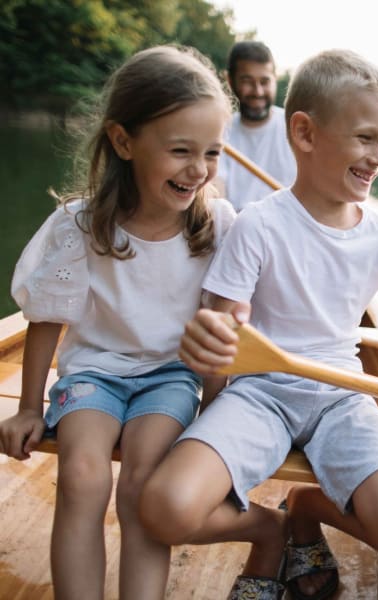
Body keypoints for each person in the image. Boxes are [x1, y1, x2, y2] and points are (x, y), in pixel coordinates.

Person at [138, 49, 378, 600]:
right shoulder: (258, 225)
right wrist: (212, 415)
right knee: (164, 507)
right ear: (304, 134)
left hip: (343, 395)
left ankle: (307, 506)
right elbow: (219, 327)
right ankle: (268, 531)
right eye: (364, 138)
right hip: (258, 393)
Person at [0, 45, 235, 600]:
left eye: (212, 152)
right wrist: (31, 406)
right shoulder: (78, 225)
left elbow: (228, 322)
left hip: (169, 377)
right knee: (82, 475)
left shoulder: (219, 225)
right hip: (93, 373)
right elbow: (46, 318)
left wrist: (220, 408)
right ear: (124, 141)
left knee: (140, 485)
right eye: (181, 150)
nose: (198, 170)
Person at [216, 40, 296, 211]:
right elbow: (216, 192)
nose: (258, 92)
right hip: (234, 230)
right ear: (229, 81)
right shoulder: (218, 131)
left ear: (275, 79)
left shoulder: (297, 130)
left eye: (265, 81)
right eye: (247, 81)